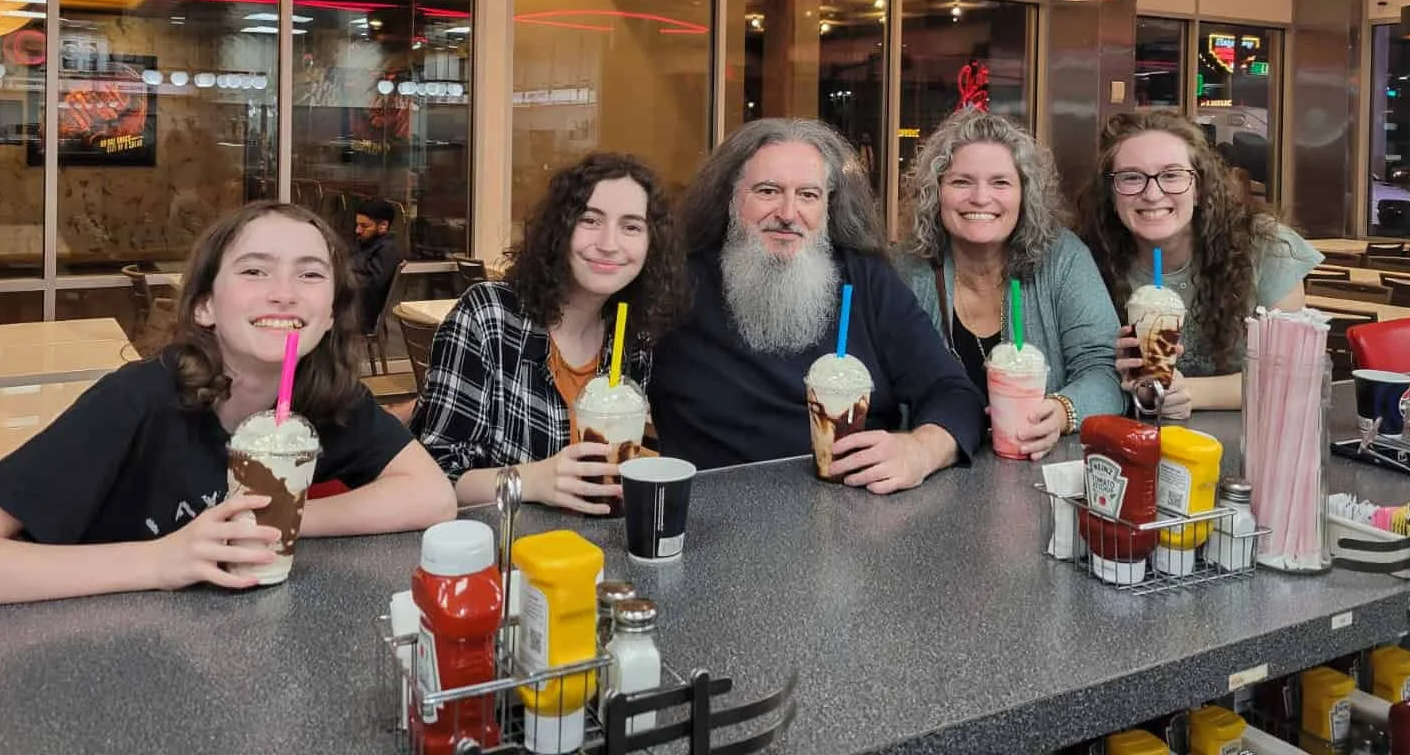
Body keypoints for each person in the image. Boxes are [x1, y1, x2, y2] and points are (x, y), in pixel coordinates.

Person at [0, 202, 457, 608]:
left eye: (311, 274)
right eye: (254, 271)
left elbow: (431, 496)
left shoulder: (327, 397)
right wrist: (162, 559)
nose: (285, 292)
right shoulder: (137, 400)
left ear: (330, 310)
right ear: (204, 306)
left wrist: (278, 519)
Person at [650, 118, 983, 492]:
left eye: (808, 195)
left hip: (857, 515)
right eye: (768, 191)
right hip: (713, 522)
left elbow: (955, 394)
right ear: (730, 198)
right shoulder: (673, 285)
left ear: (828, 207)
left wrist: (919, 451)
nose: (789, 213)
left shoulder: (866, 280)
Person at [410, 153, 685, 513]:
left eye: (631, 226)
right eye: (590, 219)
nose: (609, 243)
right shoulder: (490, 317)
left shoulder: (632, 338)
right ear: (560, 228)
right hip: (504, 553)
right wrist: (533, 480)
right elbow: (435, 476)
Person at [895, 110, 1125, 457]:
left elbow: (1105, 369)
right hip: (928, 473)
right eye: (961, 182)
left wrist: (1063, 411)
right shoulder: (904, 269)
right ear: (936, 192)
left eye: (1000, 182)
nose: (980, 197)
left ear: (1024, 195)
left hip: (1039, 475)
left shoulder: (1062, 258)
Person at [1076, 110, 1321, 419]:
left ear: (1199, 188)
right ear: (1112, 193)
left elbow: (1292, 377)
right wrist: (1132, 382)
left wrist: (1188, 392)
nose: (1152, 194)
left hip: (1253, 443)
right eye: (1132, 177)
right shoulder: (1086, 260)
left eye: (1172, 175)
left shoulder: (1265, 247)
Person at [351, 198, 400, 333]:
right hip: (348, 309)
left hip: (359, 317)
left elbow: (370, 284)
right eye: (358, 225)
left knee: (301, 322)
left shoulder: (387, 250)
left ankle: (291, 353)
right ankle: (290, 353)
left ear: (383, 226)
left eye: (364, 226)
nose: (358, 230)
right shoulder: (366, 243)